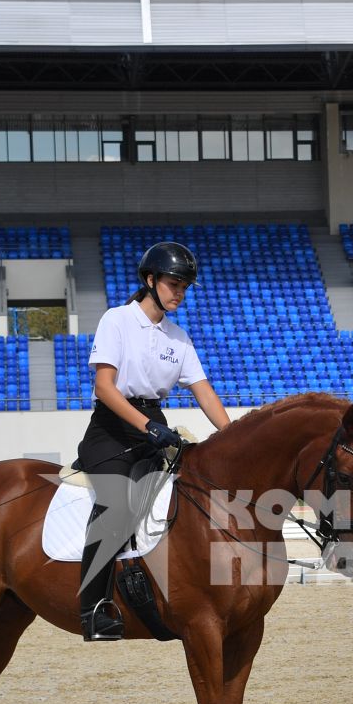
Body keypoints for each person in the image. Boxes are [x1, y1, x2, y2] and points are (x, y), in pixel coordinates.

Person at [74, 241, 231, 641]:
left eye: (185, 287)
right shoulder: (118, 320)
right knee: (116, 502)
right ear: (150, 280)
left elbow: (204, 391)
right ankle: (94, 607)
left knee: (198, 494)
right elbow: (105, 388)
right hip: (113, 427)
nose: (180, 293)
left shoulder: (178, 338)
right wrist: (147, 426)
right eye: (174, 284)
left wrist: (231, 435)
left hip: (155, 427)